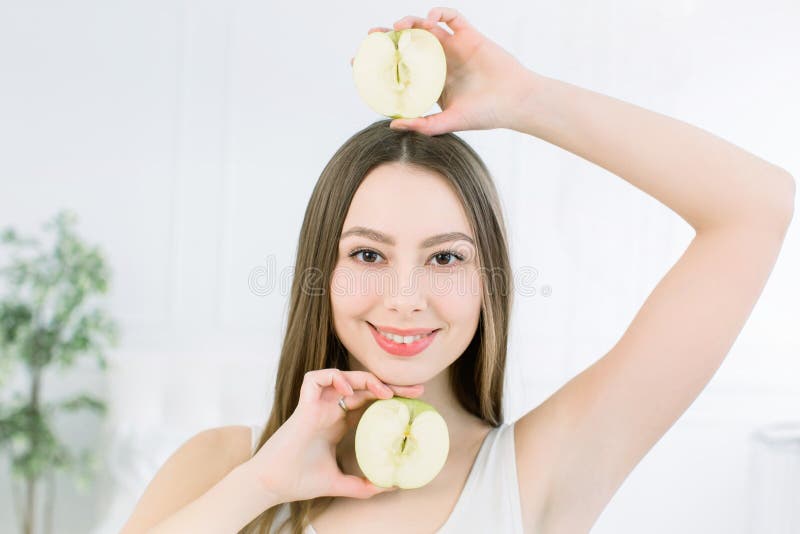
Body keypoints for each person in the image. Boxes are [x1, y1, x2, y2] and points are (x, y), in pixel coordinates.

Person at [121, 6, 795, 534]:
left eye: (445, 257)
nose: (406, 297)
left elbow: (756, 206)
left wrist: (529, 100)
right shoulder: (221, 468)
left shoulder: (533, 477)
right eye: (367, 254)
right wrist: (263, 485)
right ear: (321, 273)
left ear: (487, 282)